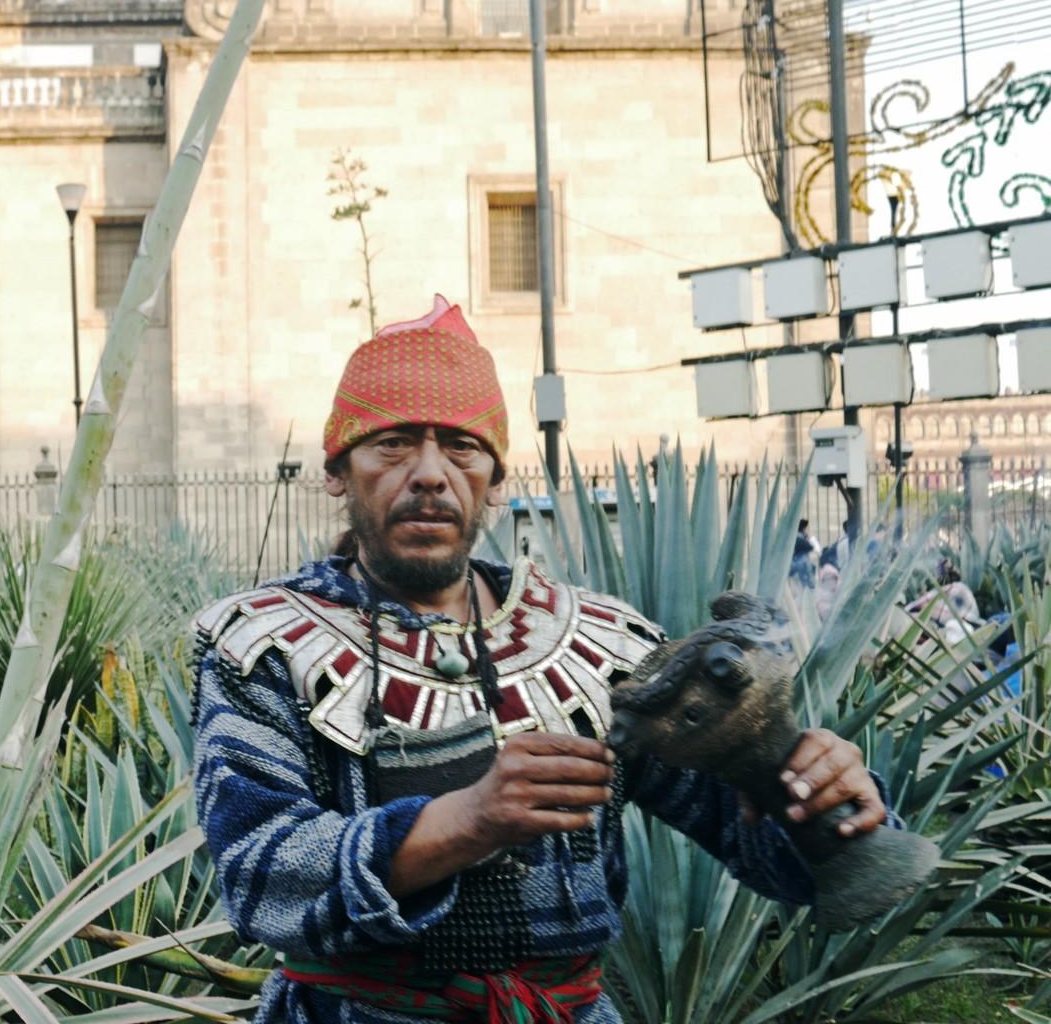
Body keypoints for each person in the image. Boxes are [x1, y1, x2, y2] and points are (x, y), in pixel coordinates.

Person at [191, 296, 890, 1024]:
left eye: (462, 446)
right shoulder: (263, 644)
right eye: (393, 442)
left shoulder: (595, 644)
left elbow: (757, 841)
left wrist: (817, 800)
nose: (431, 473)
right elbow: (260, 874)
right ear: (338, 471)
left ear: (495, 479)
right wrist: (468, 820)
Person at [791, 519, 818, 589]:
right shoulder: (799, 537)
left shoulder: (795, 536)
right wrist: (807, 538)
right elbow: (810, 547)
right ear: (803, 528)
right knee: (805, 585)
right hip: (800, 563)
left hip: (797, 563)